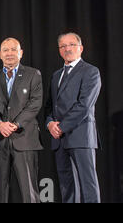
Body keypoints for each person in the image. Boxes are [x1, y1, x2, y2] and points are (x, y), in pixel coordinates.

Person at [0, 37, 43, 203]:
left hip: (24, 140)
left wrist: (15, 125)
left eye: (13, 49)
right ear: (0, 54)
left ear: (21, 53)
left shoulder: (33, 74)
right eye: (5, 50)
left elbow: (35, 104)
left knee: (30, 193)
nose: (9, 53)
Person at [46, 32, 101, 203]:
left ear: (81, 48)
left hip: (81, 136)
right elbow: (50, 105)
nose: (67, 49)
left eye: (71, 45)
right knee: (66, 186)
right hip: (59, 140)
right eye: (63, 46)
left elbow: (84, 105)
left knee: (88, 184)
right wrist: (49, 124)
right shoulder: (56, 75)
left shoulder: (91, 71)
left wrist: (61, 126)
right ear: (59, 50)